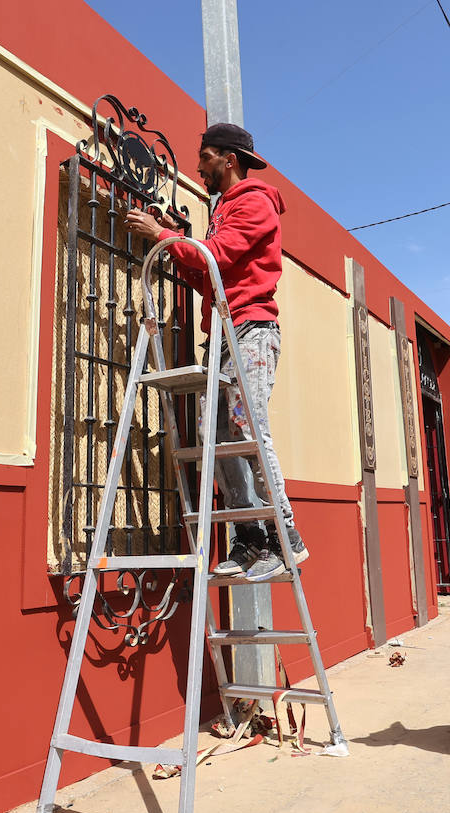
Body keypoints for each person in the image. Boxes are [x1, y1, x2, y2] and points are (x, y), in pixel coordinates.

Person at [124, 122, 306, 582]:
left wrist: (165, 237)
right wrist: (173, 242)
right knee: (214, 434)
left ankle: (287, 535)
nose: (198, 165)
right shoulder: (222, 210)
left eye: (204, 156)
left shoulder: (255, 202)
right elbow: (208, 275)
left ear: (229, 159)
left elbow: (218, 256)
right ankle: (251, 539)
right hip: (225, 334)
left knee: (247, 423)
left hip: (252, 330)